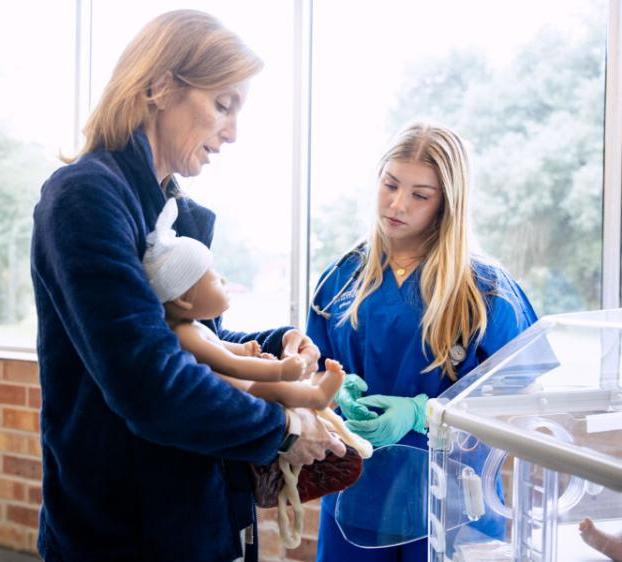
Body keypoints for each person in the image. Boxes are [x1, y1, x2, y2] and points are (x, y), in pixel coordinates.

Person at [30, 10, 345, 562]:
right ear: (159, 86)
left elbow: (196, 339)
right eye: (223, 105)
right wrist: (283, 430)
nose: (233, 132)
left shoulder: (177, 213)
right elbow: (150, 380)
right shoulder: (85, 198)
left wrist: (277, 343)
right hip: (122, 536)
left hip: (199, 521)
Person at [306, 122, 538, 561]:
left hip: (451, 503)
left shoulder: (485, 290)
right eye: (390, 185)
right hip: (356, 496)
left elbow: (520, 399)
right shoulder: (341, 279)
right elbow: (314, 372)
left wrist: (424, 413)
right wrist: (333, 393)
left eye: (420, 194)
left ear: (447, 204)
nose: (397, 204)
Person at [143, 197, 345, 409]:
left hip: (244, 386)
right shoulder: (186, 335)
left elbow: (218, 343)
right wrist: (281, 371)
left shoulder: (192, 329)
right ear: (184, 299)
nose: (224, 281)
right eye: (214, 279)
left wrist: (246, 349)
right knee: (276, 388)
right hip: (245, 391)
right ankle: (317, 396)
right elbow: (233, 365)